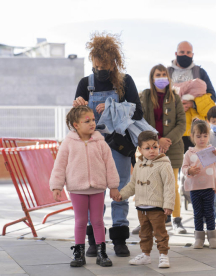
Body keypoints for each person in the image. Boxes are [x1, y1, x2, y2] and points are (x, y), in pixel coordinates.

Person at [73, 32, 143, 257]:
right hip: (92, 146)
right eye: (97, 64)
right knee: (94, 190)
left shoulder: (125, 82)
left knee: (120, 188)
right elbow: (75, 122)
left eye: (106, 64)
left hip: (117, 144)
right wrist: (78, 107)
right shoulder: (85, 83)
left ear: (114, 62)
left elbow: (138, 112)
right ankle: (94, 240)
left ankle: (120, 239)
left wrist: (112, 107)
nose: (101, 68)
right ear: (92, 61)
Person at [50, 106, 119, 267]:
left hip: (98, 188)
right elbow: (59, 166)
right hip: (76, 189)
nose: (92, 123)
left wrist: (113, 186)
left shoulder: (101, 142)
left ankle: (102, 253)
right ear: (76, 125)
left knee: (98, 220)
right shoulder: (68, 143)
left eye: (93, 120)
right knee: (80, 221)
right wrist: (56, 186)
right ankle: (78, 253)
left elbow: (110, 165)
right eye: (87, 121)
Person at [135, 64, 186, 234]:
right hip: (151, 148)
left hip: (173, 147)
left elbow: (182, 123)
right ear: (152, 77)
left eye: (164, 74)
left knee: (173, 186)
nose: (162, 77)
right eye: (158, 74)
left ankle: (177, 220)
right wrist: (157, 141)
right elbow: (141, 120)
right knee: (149, 185)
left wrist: (167, 141)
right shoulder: (146, 95)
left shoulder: (175, 97)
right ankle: (147, 220)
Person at [116, 131, 175, 268]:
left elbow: (169, 186)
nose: (152, 151)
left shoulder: (164, 164)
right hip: (142, 207)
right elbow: (133, 184)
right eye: (147, 148)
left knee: (160, 233)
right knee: (144, 233)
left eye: (155, 147)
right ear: (140, 149)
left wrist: (168, 204)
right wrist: (122, 194)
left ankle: (163, 255)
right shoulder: (139, 164)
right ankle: (146, 255)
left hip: (157, 207)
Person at [182, 120, 216, 249]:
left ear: (209, 136)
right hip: (195, 188)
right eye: (198, 136)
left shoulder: (211, 151)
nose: (202, 139)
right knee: (197, 213)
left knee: (209, 212)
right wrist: (190, 170)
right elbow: (184, 168)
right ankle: (199, 238)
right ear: (192, 136)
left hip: (209, 187)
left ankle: (213, 237)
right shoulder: (189, 153)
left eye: (205, 136)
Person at [167, 41, 216, 152]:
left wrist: (194, 104)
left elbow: (212, 97)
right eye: (182, 52)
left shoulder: (200, 72)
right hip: (173, 128)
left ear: (192, 55)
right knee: (173, 165)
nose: (185, 55)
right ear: (176, 53)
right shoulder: (166, 73)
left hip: (196, 130)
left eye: (188, 52)